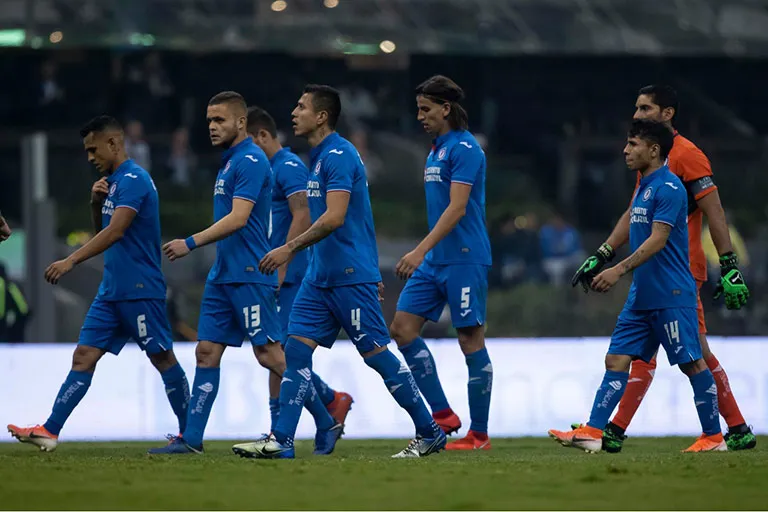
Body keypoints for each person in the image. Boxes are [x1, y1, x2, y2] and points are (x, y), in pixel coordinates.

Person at [232, 84, 445, 459]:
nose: (294, 113)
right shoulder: (317, 158)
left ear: (321, 116)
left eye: (301, 107)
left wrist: (288, 248)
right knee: (295, 353)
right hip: (319, 278)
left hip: (349, 276)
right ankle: (281, 441)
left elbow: (336, 217)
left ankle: (429, 431)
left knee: (377, 355)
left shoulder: (340, 155)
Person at [149, 92, 341, 455]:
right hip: (223, 274)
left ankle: (326, 418)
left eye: (219, 120)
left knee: (270, 356)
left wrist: (190, 242)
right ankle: (191, 439)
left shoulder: (252, 160)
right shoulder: (229, 162)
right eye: (209, 120)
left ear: (241, 123)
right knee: (206, 352)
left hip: (251, 273)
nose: (212, 126)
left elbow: (239, 219)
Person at [571, 85, 755, 452]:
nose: (637, 115)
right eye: (637, 108)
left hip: (679, 269)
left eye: (645, 108)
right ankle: (612, 429)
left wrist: (729, 265)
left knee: (693, 353)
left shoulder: (687, 155)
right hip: (650, 270)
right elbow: (634, 212)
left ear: (667, 114)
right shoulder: (649, 159)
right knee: (648, 352)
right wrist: (604, 252)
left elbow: (715, 212)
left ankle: (730, 428)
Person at [7, 116, 189, 451]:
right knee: (83, 356)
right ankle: (49, 430)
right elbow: (103, 232)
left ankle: (189, 436)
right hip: (111, 291)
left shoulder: (134, 179)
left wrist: (71, 260)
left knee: (162, 358)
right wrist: (95, 204)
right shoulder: (112, 184)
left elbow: (116, 232)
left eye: (94, 149)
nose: (90, 157)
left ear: (114, 143)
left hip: (140, 289)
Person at [552, 119, 725, 453]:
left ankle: (713, 437)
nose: (625, 150)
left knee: (692, 362)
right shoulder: (644, 188)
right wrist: (602, 256)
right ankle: (593, 431)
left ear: (654, 150)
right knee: (616, 358)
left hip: (671, 293)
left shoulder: (670, 187)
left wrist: (617, 269)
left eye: (633, 144)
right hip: (642, 295)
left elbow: (659, 239)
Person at [389, 75, 493, 450]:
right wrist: (427, 254)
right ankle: (443, 414)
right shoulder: (435, 150)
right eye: (418, 109)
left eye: (425, 109)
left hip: (465, 258)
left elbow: (458, 208)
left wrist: (418, 250)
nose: (420, 116)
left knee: (469, 338)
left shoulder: (466, 148)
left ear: (445, 109)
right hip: (435, 259)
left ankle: (479, 435)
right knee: (402, 328)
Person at [246, 105, 354, 431]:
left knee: (277, 352)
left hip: (291, 274)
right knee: (273, 353)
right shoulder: (267, 170)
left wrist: (283, 265)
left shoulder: (289, 167)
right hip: (274, 272)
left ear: (262, 136)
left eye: (247, 142)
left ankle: (329, 403)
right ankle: (284, 424)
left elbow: (304, 214)